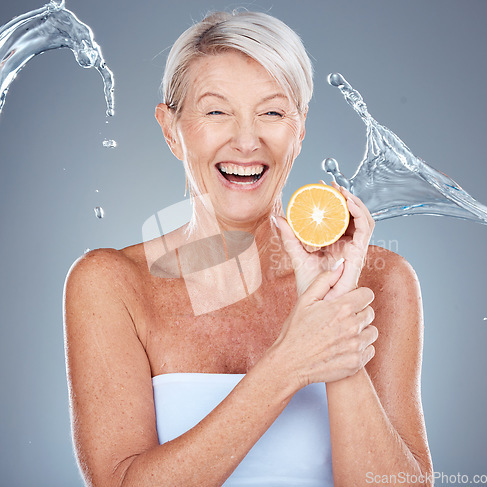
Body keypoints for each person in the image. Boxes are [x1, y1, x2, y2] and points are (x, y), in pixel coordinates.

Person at [63, 10, 433, 487]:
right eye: (216, 111)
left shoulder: (382, 282)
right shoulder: (110, 285)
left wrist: (332, 313)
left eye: (272, 113)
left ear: (298, 132)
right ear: (170, 129)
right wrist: (288, 364)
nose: (245, 140)